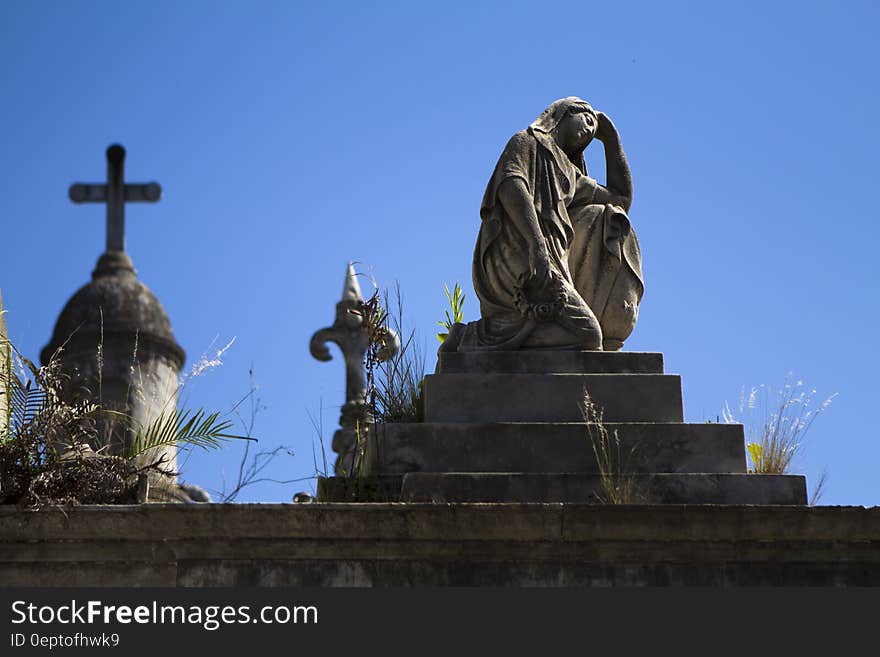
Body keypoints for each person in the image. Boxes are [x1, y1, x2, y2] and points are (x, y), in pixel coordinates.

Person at [445, 96, 643, 352]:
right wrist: (537, 245)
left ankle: (480, 335)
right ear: (564, 113)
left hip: (550, 265)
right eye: (586, 118)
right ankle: (481, 336)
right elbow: (511, 185)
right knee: (589, 336)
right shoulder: (526, 142)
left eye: (594, 129)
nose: (589, 130)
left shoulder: (571, 175)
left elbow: (620, 199)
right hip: (519, 256)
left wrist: (611, 140)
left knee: (577, 335)